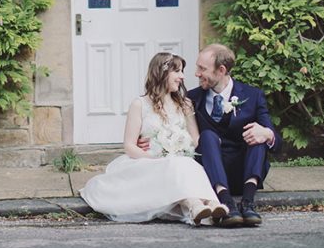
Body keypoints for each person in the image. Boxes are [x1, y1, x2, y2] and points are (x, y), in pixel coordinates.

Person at [80, 52, 228, 226]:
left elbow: (196, 139)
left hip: (180, 161)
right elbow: (129, 146)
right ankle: (194, 205)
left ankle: (212, 205)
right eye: (177, 71)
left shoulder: (185, 104)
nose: (182, 76)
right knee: (175, 165)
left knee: (187, 165)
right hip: (149, 161)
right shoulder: (139, 104)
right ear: (162, 73)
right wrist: (157, 159)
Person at [187, 43, 281, 227]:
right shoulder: (191, 98)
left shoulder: (253, 95)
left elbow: (277, 143)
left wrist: (267, 133)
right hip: (210, 178)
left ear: (221, 70)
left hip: (243, 173)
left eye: (202, 68)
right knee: (207, 136)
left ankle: (248, 202)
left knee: (257, 133)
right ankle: (226, 202)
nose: (196, 73)